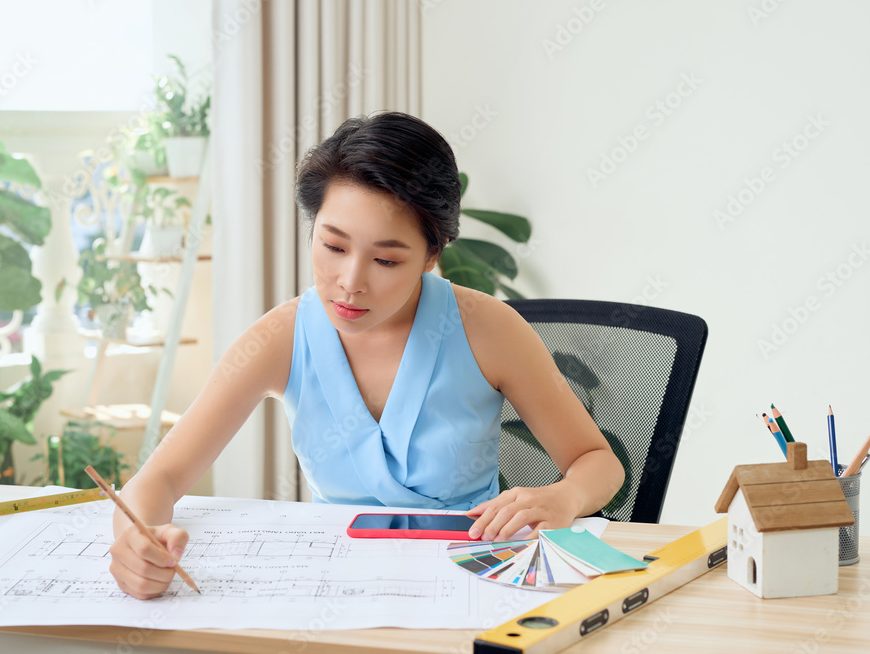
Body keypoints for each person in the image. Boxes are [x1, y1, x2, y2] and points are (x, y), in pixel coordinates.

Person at [108, 112, 624, 599]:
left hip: (474, 581)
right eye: (333, 247)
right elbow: (160, 478)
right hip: (334, 586)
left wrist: (564, 498)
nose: (350, 283)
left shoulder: (488, 329)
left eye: (385, 259)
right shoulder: (281, 338)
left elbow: (596, 462)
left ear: (432, 253)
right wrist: (139, 542)